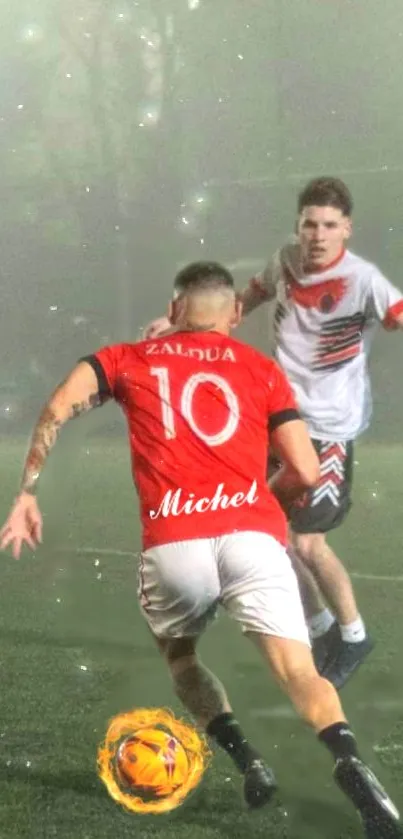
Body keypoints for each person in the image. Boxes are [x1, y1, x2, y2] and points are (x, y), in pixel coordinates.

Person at [1, 262, 401, 836]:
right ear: (235, 315)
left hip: (175, 543)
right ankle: (348, 760)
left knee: (181, 658)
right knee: (298, 671)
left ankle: (246, 758)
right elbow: (308, 471)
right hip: (253, 539)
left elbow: (58, 406)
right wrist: (264, 497)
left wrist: (26, 493)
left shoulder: (128, 358)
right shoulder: (261, 369)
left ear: (172, 311)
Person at [144, 178, 403, 691]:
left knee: (305, 542)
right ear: (298, 226)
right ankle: (322, 628)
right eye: (310, 223)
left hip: (326, 431)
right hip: (277, 418)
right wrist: (181, 326)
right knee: (265, 534)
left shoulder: (363, 280)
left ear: (346, 229)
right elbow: (241, 302)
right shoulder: (283, 260)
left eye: (330, 225)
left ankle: (351, 636)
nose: (318, 234)